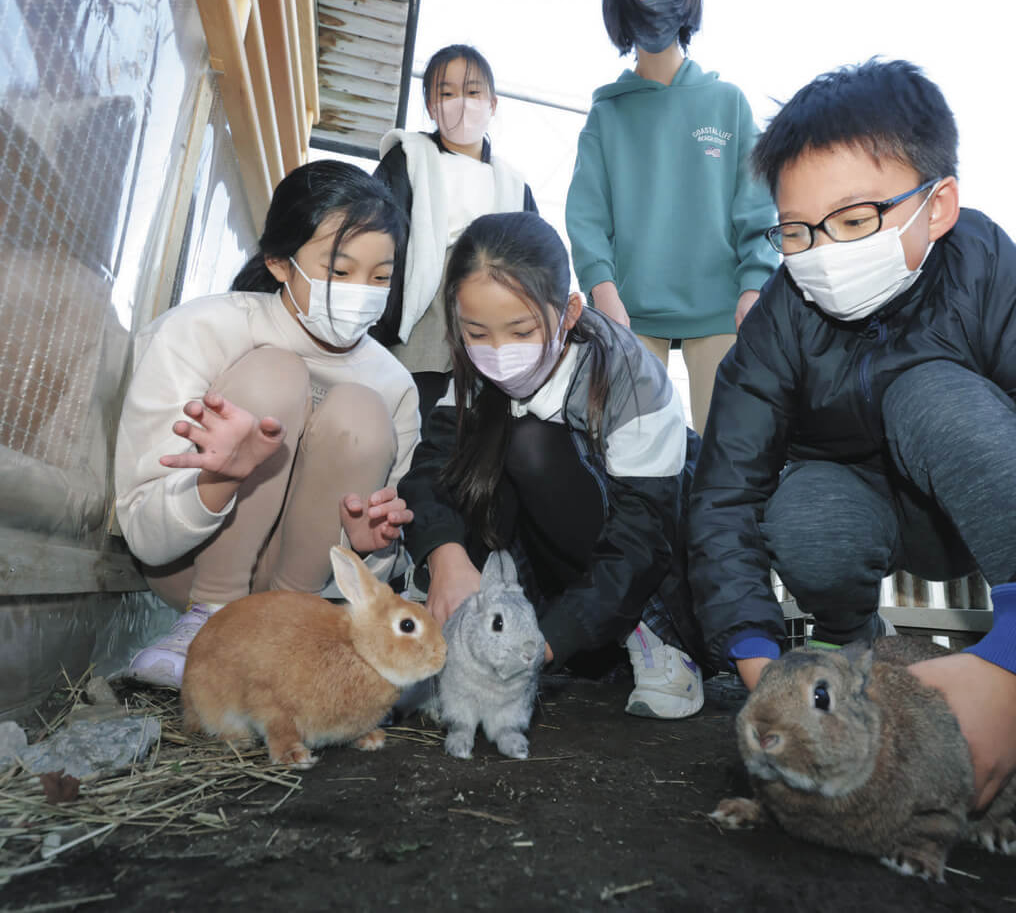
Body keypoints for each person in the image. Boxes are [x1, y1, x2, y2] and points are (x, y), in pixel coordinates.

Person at [686, 58, 1016, 907]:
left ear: (938, 203)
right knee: (803, 505)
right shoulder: (780, 321)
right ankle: (863, 671)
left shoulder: (997, 280)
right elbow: (722, 493)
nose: (822, 255)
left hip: (1004, 522)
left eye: (854, 218)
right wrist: (760, 664)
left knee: (934, 397)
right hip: (869, 521)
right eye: (796, 233)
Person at [116, 160, 419, 689]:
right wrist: (218, 480)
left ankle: (285, 632)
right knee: (275, 373)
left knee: (360, 413)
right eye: (340, 271)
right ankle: (210, 618)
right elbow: (143, 534)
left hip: (306, 590)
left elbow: (381, 564)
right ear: (280, 263)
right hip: (187, 570)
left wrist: (371, 551)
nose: (362, 291)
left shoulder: (394, 385)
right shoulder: (202, 330)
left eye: (380, 276)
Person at [398, 211, 706, 719]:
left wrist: (542, 643)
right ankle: (473, 613)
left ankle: (657, 637)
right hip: (551, 569)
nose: (497, 352)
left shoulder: (632, 381)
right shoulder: (474, 371)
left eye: (520, 330)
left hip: (644, 564)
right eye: (476, 331)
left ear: (568, 313)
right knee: (488, 453)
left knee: (532, 445)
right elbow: (431, 469)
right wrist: (445, 558)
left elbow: (643, 536)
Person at [564, 0, 777, 436]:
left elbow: (757, 209)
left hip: (722, 309)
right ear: (620, 3)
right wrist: (604, 293)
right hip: (631, 314)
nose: (653, 1)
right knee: (634, 456)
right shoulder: (606, 116)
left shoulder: (727, 102)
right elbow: (587, 217)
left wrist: (754, 286)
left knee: (726, 456)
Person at [372, 44, 537, 428]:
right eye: (446, 93)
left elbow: (533, 259)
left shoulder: (513, 184)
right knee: (406, 421)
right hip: (421, 320)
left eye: (473, 91)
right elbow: (377, 229)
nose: (461, 103)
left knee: (468, 429)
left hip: (487, 323)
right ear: (430, 105)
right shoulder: (408, 157)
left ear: (493, 103)